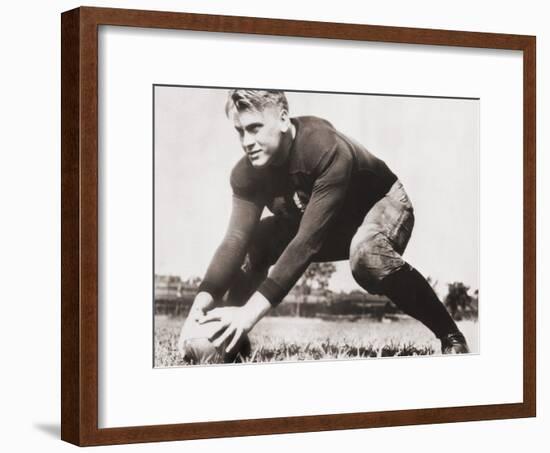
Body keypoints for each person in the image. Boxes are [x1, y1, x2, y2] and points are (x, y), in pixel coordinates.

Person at [179, 89, 469, 359]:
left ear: (282, 118)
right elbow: (234, 240)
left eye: (255, 127)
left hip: (379, 205)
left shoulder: (323, 146)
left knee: (367, 255)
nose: (246, 141)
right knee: (256, 242)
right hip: (324, 223)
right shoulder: (245, 173)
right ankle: (231, 344)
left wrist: (248, 314)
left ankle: (451, 335)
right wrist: (201, 305)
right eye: (239, 131)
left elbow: (307, 242)